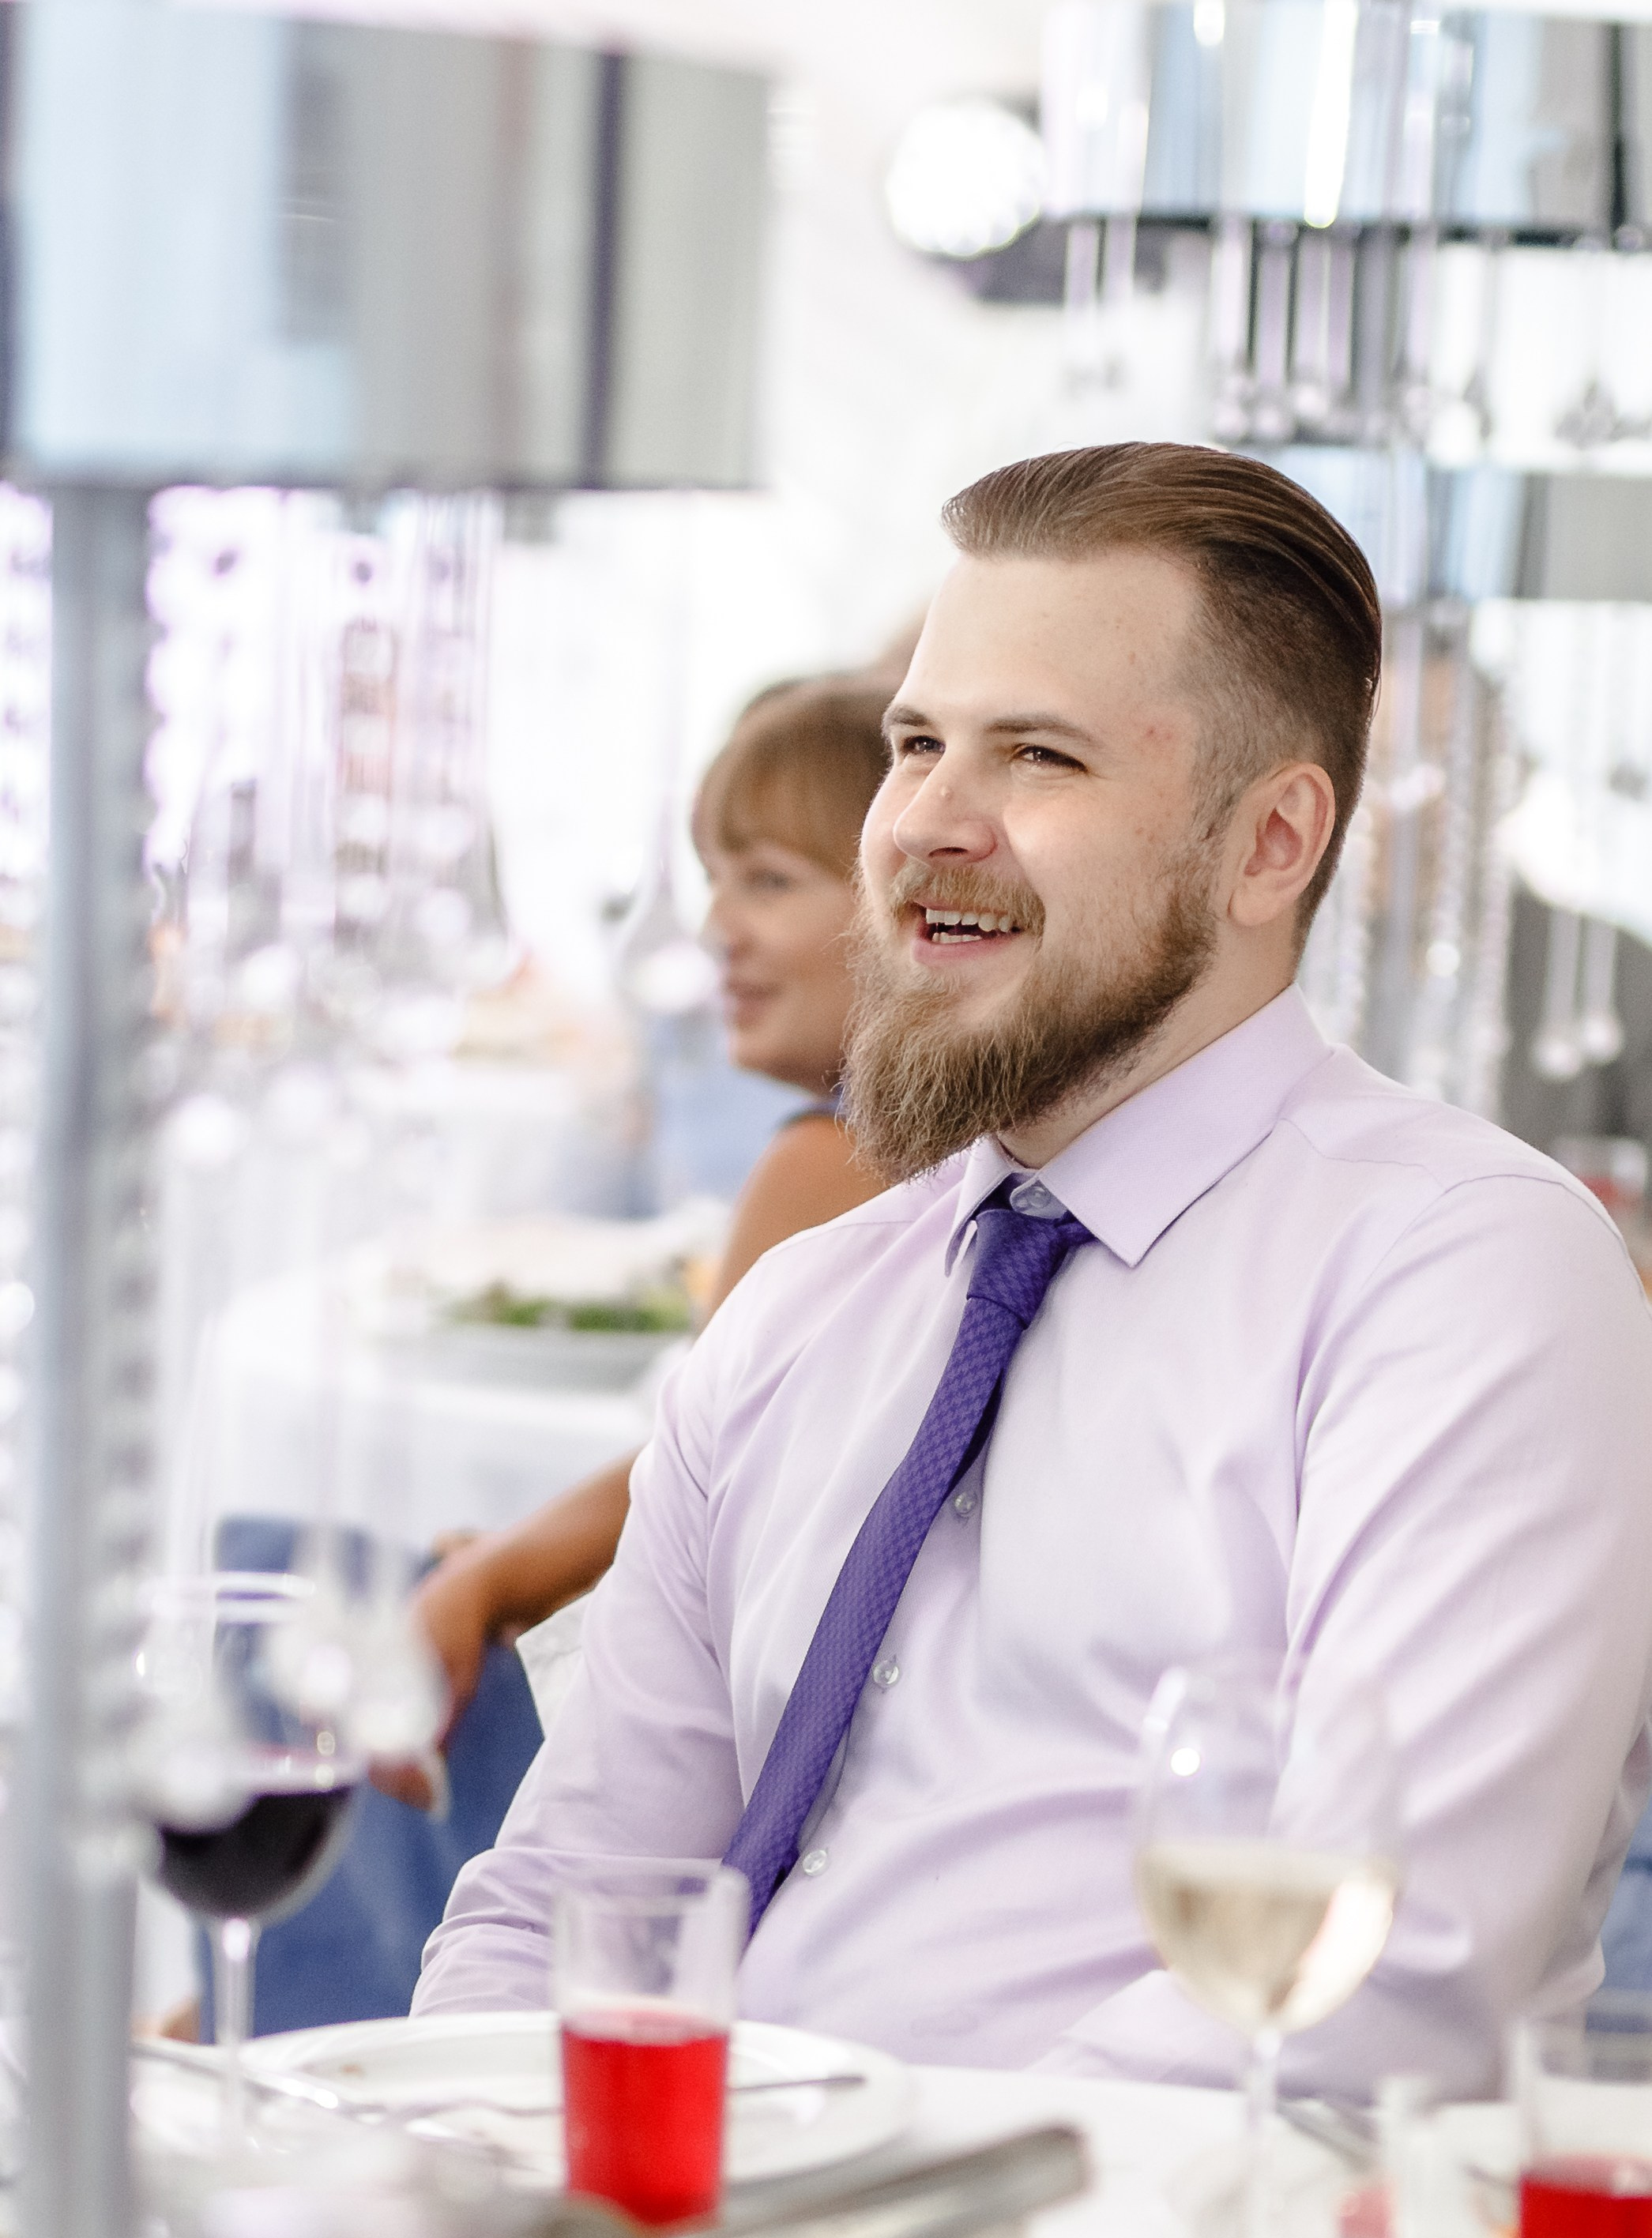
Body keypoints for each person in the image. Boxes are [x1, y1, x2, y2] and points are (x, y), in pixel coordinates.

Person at [412, 442, 1652, 2100]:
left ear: (1267, 845)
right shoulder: (808, 1306)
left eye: (1036, 757)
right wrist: (469, 2182)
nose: (926, 820)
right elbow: (559, 1905)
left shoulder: (1458, 1275)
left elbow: (1391, 1972)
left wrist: (835, 2215)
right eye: (914, 744)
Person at [405, 674, 890, 1749]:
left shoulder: (832, 1161)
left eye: (767, 880)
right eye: (714, 881)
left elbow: (683, 1490)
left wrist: (495, 1573)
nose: (716, 929)